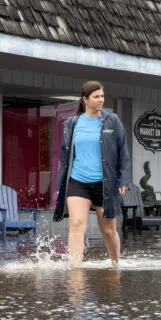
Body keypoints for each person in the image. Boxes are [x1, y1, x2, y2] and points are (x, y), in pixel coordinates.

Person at [53, 81, 131, 267]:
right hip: (78, 182)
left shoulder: (112, 121)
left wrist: (123, 180)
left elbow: (123, 153)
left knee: (108, 230)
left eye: (102, 96)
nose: (101, 100)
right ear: (85, 99)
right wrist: (60, 184)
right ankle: (75, 268)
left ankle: (115, 264)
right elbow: (65, 156)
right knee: (76, 225)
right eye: (96, 96)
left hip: (105, 184)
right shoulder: (73, 123)